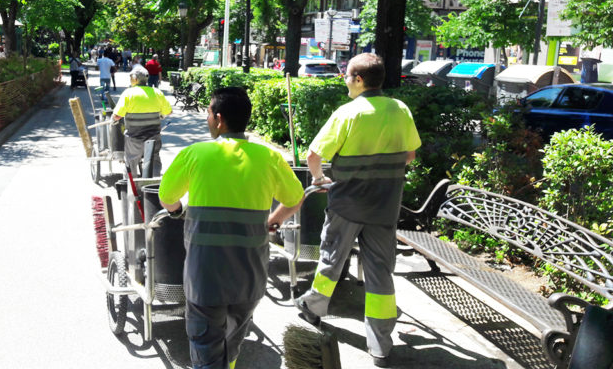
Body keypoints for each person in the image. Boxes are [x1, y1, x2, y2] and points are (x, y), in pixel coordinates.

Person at [158, 87, 305, 369]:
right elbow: (296, 198)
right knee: (233, 339)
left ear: (219, 118)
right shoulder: (269, 158)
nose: (207, 118)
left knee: (205, 346)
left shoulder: (195, 154)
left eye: (209, 113)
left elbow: (166, 198)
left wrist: (178, 211)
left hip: (206, 275)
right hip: (250, 275)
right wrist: (273, 220)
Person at [294, 53, 421, 367]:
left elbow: (314, 154)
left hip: (347, 204)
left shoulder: (348, 113)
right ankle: (380, 344)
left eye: (347, 75)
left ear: (359, 80)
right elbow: (410, 156)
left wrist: (319, 178)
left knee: (331, 260)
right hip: (385, 206)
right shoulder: (399, 109)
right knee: (380, 274)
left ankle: (313, 308)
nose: (344, 80)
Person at [112, 67, 172, 177]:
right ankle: (153, 186)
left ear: (134, 79)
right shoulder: (157, 93)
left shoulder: (128, 93)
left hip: (134, 137)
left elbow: (116, 116)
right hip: (154, 137)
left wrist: (113, 118)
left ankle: (131, 188)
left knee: (131, 161)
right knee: (155, 160)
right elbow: (169, 112)